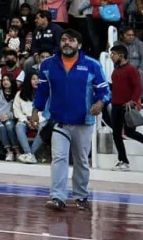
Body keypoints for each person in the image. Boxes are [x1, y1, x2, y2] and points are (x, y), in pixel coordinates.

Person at [30, 28, 111, 210]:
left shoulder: (92, 65)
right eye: (64, 39)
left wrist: (101, 102)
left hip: (83, 120)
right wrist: (36, 110)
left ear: (79, 45)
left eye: (72, 40)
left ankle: (81, 196)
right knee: (59, 158)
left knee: (81, 160)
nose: (67, 43)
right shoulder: (47, 65)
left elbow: (104, 91)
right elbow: (42, 91)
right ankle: (58, 197)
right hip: (58, 120)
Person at [104, 44, 143, 171]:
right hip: (115, 105)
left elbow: (138, 87)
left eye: (113, 54)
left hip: (126, 106)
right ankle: (123, 161)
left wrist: (132, 101)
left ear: (121, 55)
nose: (111, 57)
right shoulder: (116, 70)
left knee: (129, 131)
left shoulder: (131, 69)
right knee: (117, 134)